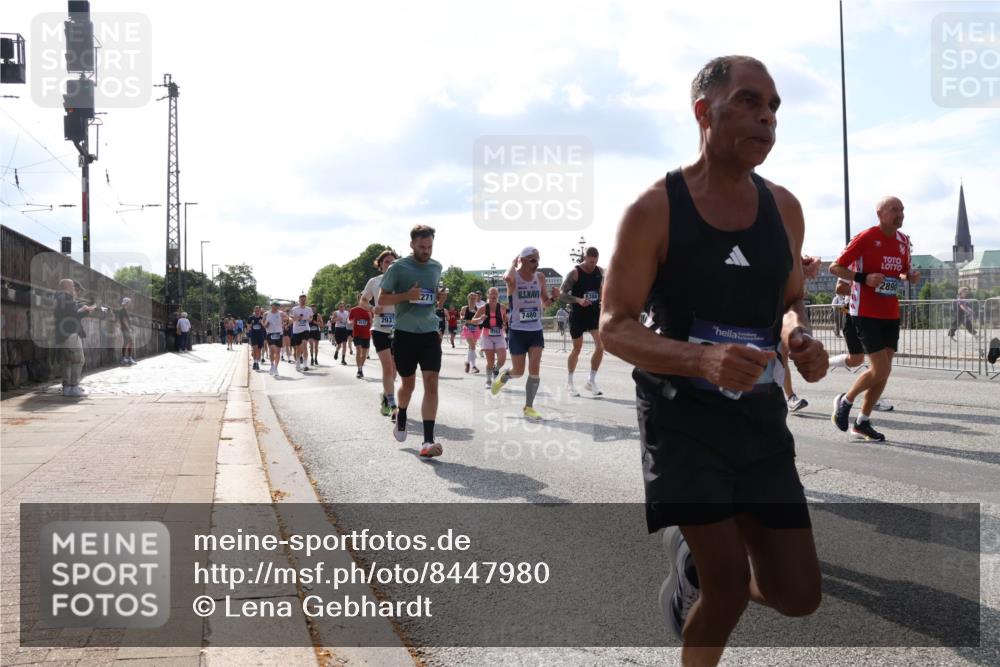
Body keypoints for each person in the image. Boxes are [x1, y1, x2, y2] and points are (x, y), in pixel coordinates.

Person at [599, 56, 828, 664]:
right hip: (682, 421)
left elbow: (790, 300)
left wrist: (797, 338)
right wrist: (700, 360)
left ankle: (689, 557)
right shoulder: (654, 209)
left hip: (757, 420)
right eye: (751, 101)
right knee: (726, 588)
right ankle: (701, 569)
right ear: (704, 111)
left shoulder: (785, 208)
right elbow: (613, 327)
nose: (767, 117)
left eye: (775, 106)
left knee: (799, 595)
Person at [829, 196, 918, 442]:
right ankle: (845, 401)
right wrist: (863, 278)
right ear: (880, 213)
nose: (900, 214)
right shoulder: (866, 237)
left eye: (902, 209)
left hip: (890, 311)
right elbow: (835, 268)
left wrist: (909, 275)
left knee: (884, 372)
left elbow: (901, 270)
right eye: (894, 210)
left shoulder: (903, 241)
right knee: (880, 368)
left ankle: (862, 422)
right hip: (865, 311)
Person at [378, 224, 447, 458]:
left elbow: (431, 298)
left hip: (429, 333)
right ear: (412, 245)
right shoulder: (399, 268)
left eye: (429, 246)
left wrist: (439, 299)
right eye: (422, 246)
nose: (426, 251)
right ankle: (402, 414)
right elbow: (383, 297)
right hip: (405, 334)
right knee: (408, 384)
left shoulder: (436, 267)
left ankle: (428, 441)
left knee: (432, 382)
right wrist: (407, 295)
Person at [490, 247, 560, 420]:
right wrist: (513, 263)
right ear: (524, 260)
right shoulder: (514, 278)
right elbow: (507, 277)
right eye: (533, 260)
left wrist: (554, 298)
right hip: (517, 330)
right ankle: (505, 376)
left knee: (535, 368)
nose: (537, 264)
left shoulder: (540, 277)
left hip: (535, 329)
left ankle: (528, 407)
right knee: (519, 371)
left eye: (538, 260)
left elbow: (545, 304)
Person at [827, 279, 895, 411]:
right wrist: (867, 290)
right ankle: (826, 363)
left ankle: (872, 399)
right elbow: (840, 288)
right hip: (854, 313)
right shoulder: (854, 259)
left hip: (878, 313)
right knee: (857, 360)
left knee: (878, 363)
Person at [562, 246, 606, 396]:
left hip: (594, 314)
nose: (593, 265)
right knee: (577, 349)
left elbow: (602, 291)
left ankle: (591, 381)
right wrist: (578, 300)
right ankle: (569, 382)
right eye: (590, 262)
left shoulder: (600, 272)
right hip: (578, 314)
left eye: (595, 262)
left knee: (600, 346)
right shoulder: (575, 273)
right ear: (584, 258)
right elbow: (562, 294)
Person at [361, 249, 400, 416]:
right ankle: (392, 404)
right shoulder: (374, 281)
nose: (390, 264)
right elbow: (362, 301)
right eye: (386, 262)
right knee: (387, 366)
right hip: (379, 329)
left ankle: (385, 396)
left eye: (393, 262)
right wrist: (372, 308)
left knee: (395, 370)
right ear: (381, 265)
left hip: (398, 329)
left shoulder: (402, 283)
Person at [54, 279, 96, 397]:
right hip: (70, 333)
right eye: (72, 286)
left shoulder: (58, 298)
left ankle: (67, 388)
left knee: (67, 361)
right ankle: (74, 387)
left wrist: (82, 310)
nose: (74, 288)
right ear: (67, 286)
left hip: (62, 334)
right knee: (78, 360)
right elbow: (73, 316)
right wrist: (86, 310)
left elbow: (68, 314)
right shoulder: (67, 298)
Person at [473, 287, 508, 388]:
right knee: (490, 361)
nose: (493, 296)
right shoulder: (483, 308)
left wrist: (506, 320)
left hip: (499, 335)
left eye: (495, 294)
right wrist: (480, 318)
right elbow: (473, 320)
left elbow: (504, 319)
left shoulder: (502, 307)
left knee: (502, 358)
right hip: (487, 336)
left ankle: (496, 370)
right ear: (488, 295)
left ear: (498, 296)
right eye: (491, 294)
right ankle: (488, 381)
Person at [349, 301, 372, 379]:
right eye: (361, 299)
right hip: (357, 333)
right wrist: (351, 322)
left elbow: (373, 322)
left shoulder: (370, 310)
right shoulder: (353, 310)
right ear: (358, 300)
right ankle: (359, 370)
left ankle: (360, 368)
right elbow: (349, 320)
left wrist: (370, 317)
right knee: (358, 350)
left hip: (366, 334)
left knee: (364, 354)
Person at [289, 295, 313, 372]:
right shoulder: (295, 309)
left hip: (305, 329)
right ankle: (298, 363)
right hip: (296, 330)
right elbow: (291, 318)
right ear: (299, 300)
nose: (303, 301)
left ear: (306, 301)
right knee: (298, 348)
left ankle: (305, 364)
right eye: (301, 300)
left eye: (304, 300)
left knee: (305, 344)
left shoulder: (309, 309)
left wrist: (309, 319)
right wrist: (297, 318)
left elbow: (310, 318)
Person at [460, 292, 482, 373]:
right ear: (468, 299)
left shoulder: (478, 309)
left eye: (474, 298)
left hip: (476, 330)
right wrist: (471, 321)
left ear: (476, 299)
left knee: (471, 348)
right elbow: (462, 319)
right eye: (471, 298)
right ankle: (473, 366)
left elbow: (479, 321)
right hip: (467, 329)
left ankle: (467, 362)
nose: (472, 300)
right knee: (473, 346)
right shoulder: (464, 308)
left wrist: (472, 321)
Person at [264, 302, 287, 376]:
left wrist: (286, 320)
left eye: (278, 305)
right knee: (272, 350)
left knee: (277, 352)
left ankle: (276, 368)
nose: (277, 306)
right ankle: (272, 365)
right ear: (271, 305)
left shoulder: (281, 313)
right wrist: (266, 324)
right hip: (270, 334)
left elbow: (287, 318)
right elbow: (263, 323)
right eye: (275, 305)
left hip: (279, 334)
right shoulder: (266, 314)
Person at [247, 305, 266, 370]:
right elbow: (248, 328)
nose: (257, 311)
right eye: (256, 310)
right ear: (254, 310)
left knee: (259, 350)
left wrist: (262, 323)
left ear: (260, 311)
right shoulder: (251, 318)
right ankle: (255, 363)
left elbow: (265, 326)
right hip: (253, 335)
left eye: (258, 310)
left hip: (260, 335)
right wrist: (251, 325)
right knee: (255, 349)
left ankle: (257, 362)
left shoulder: (262, 318)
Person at [118, 297, 135, 365]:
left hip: (125, 328)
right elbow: (124, 320)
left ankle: (127, 358)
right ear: (126, 303)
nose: (130, 304)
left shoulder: (124, 310)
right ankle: (126, 359)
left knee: (128, 342)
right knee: (129, 342)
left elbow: (125, 320)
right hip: (125, 329)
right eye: (129, 303)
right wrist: (128, 329)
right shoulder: (122, 310)